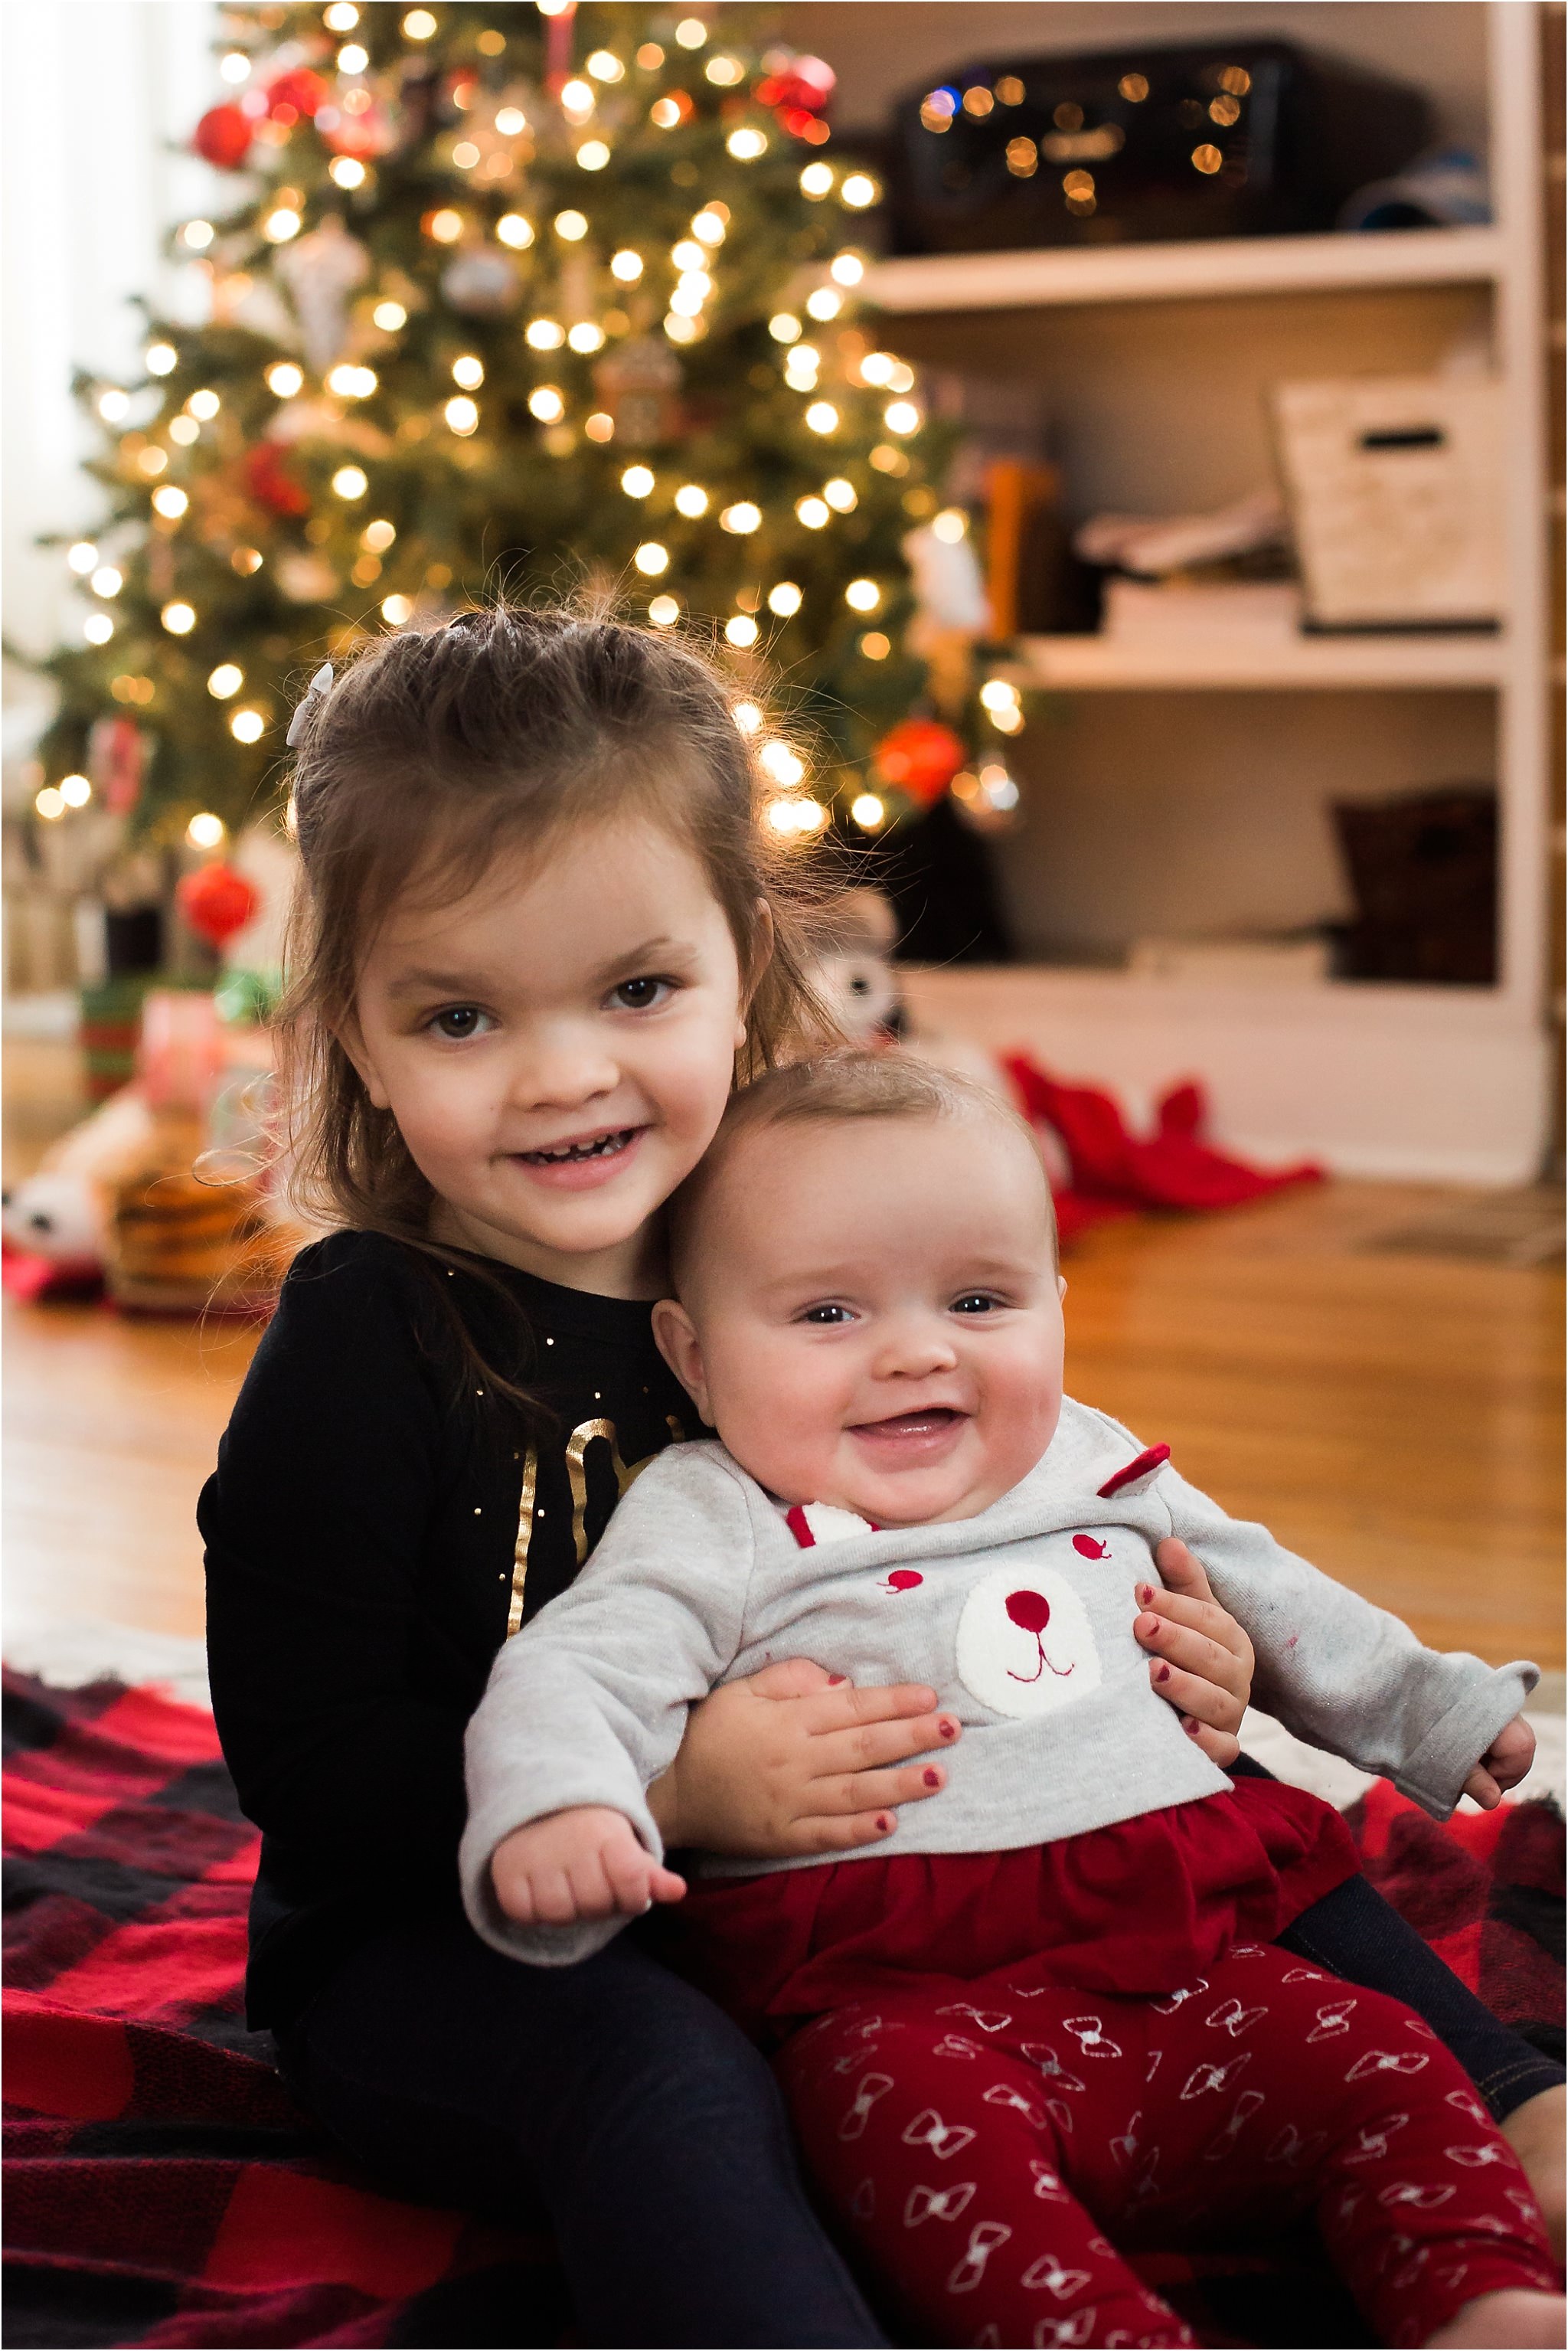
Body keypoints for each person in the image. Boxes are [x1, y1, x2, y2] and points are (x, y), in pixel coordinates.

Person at [200, 606, 1259, 2350]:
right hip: (442, 1950)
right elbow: (307, 1764)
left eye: (636, 988)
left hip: (810, 1887)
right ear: (356, 1036)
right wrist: (666, 1793)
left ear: (743, 956)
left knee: (1205, 1837)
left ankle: (1515, 2109)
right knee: (668, 2077)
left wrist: (1161, 1658)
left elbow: (999, 1485)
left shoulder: (785, 1239)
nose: (563, 1075)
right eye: (460, 1014)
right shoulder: (366, 1336)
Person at [464, 1051, 1564, 2350]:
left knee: (1386, 2065)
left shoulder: (1095, 1456)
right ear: (694, 1357)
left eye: (980, 1298)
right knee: (897, 2141)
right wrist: (564, 1802)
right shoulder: (717, 1515)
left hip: (1198, 1970)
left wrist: (1434, 1706)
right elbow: (580, 1664)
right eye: (827, 1315)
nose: (916, 1350)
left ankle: (1482, 2300)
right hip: (906, 2010)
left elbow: (1277, 1598)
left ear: (1055, 1303)